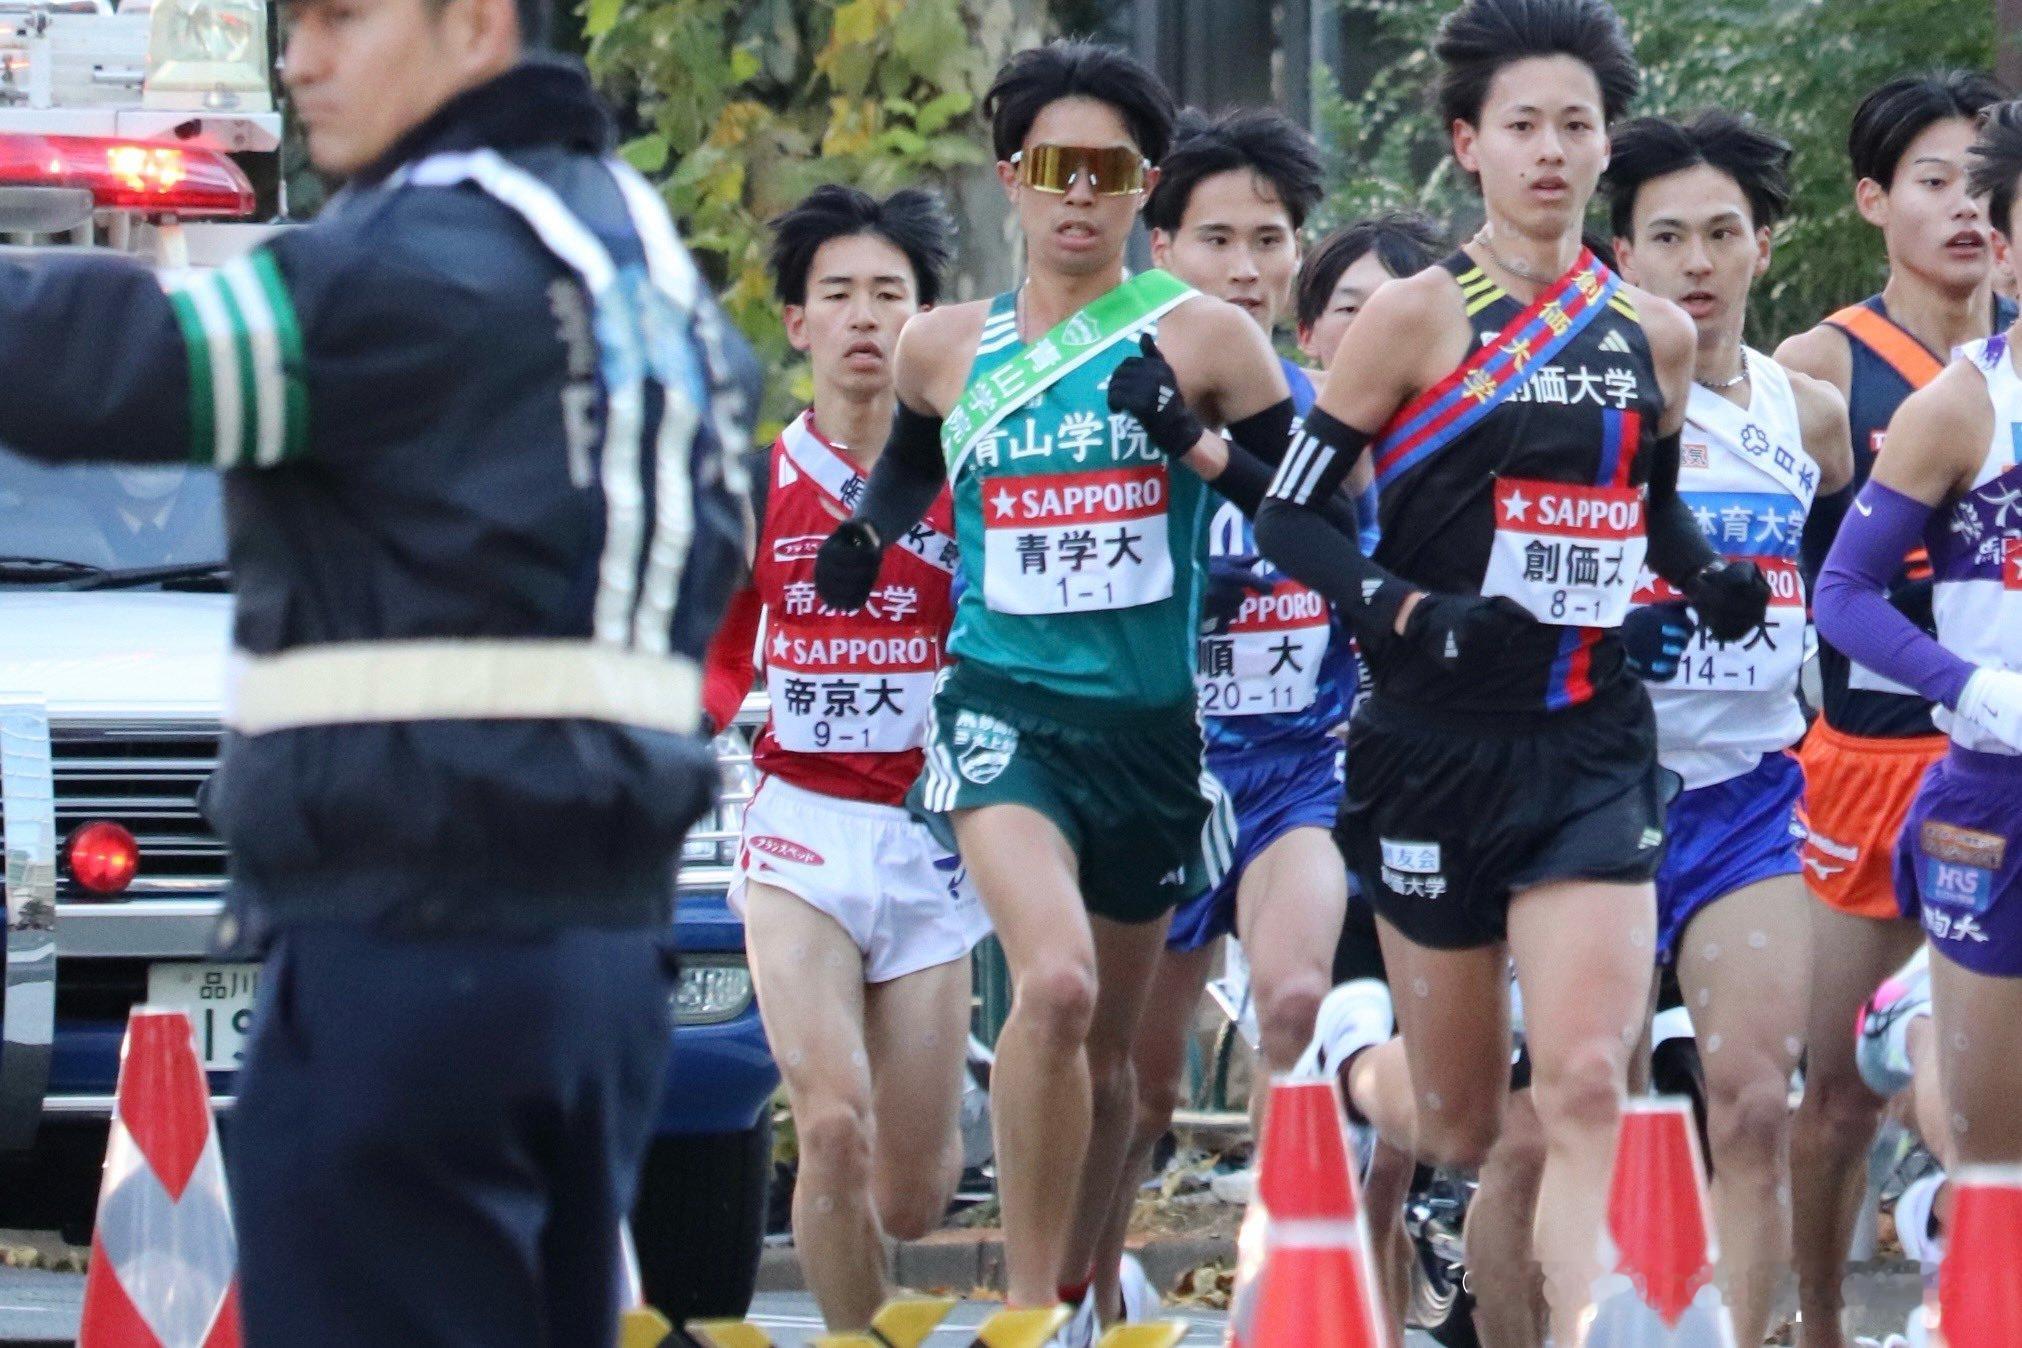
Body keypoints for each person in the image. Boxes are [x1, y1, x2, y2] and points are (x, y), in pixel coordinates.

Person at [0, 1, 759, 1342]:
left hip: (412, 948)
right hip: (598, 948)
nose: (296, 61)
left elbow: (113, 368)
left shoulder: (415, 263)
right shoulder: (645, 268)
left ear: (472, 24)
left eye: (344, 20)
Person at [1250, 0, 1770, 1337]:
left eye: (1575, 127)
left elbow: (1643, 502)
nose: (1550, 151)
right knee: (1467, 1119)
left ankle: (1595, 1322)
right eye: (1522, 126)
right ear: (1465, 144)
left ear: (1604, 150)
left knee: (1591, 1078)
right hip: (1430, 745)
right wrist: (1404, 608)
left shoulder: (1646, 335)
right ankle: (1353, 1061)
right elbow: (1294, 514)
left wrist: (1699, 566)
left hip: (1588, 739)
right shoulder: (1416, 317)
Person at [810, 41, 1302, 1333]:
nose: (1077, 196)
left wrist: (1190, 443)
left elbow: (1310, 514)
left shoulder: (1206, 338)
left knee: (1125, 1075)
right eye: (1052, 169)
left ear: (1143, 185)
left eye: (1107, 171)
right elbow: (912, 466)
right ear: (1008, 175)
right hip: (999, 718)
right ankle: (1026, 1307)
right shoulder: (938, 346)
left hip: (1144, 736)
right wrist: (864, 537)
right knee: (1059, 982)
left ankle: (1077, 1288)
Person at [1059, 105, 1338, 1332]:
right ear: (1157, 246)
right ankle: (1077, 1299)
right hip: (1164, 770)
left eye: (1270, 240)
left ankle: (1280, 1295)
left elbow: (1345, 539)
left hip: (1297, 777)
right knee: (1141, 1085)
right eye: (1215, 238)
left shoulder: (1339, 407)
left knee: (1293, 1004)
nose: (1245, 268)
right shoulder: (1098, 415)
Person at [699, 185, 988, 1331]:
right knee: (828, 1121)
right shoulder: (755, 483)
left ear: (924, 320)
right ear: (797, 323)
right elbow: (720, 655)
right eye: (840, 295)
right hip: (796, 829)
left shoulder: (972, 477)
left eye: (891, 295)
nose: (866, 318)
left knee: (913, 1196)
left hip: (928, 840)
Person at [1771, 71, 2014, 1347]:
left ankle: (1971, 1293)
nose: (1966, 207)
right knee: (1832, 1092)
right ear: (1872, 199)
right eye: (1934, 179)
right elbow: (1807, 583)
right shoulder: (1818, 368)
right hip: (1869, 758)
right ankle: (1817, 1322)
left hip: (1995, 768)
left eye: (1985, 181)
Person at [1603, 110, 1855, 1341]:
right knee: (1565, 1108)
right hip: (1591, 788)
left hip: (1750, 790)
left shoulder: (1809, 416)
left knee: (1754, 1102)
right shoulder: (1584, 399)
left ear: (1764, 246)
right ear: (1621, 256)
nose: (1695, 262)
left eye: (1720, 233)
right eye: (1666, 237)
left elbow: (1837, 569)